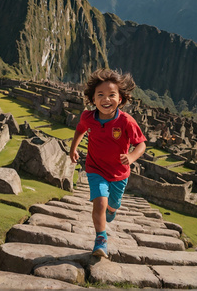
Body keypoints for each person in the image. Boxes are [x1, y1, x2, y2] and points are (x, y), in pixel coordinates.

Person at [69, 68, 146, 258]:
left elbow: (141, 144)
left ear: (120, 99)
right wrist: (74, 148)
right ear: (93, 99)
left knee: (112, 205)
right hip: (95, 169)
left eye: (112, 95)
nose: (106, 99)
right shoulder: (88, 117)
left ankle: (112, 210)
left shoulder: (127, 121)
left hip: (119, 173)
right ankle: (101, 240)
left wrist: (132, 157)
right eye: (100, 95)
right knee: (100, 203)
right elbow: (80, 130)